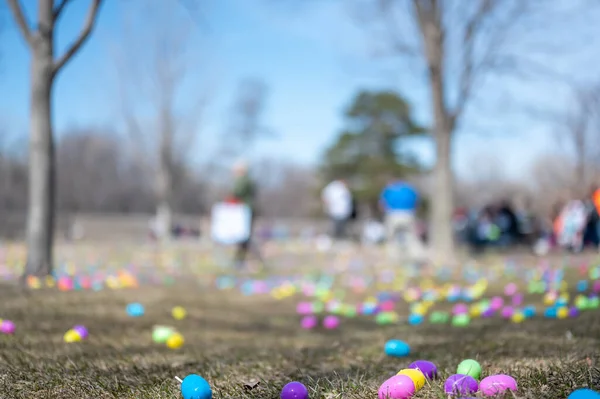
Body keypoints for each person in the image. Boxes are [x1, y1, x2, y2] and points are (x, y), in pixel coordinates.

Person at [230, 160, 265, 269]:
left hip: (244, 212)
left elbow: (236, 193)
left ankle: (249, 259)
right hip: (247, 211)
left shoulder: (243, 180)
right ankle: (239, 260)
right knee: (244, 237)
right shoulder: (249, 180)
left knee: (245, 236)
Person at [379, 179, 425, 262]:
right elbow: (417, 202)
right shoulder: (410, 190)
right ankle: (417, 257)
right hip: (408, 214)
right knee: (412, 237)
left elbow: (382, 204)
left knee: (391, 238)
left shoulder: (389, 190)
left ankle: (393, 258)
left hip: (393, 214)